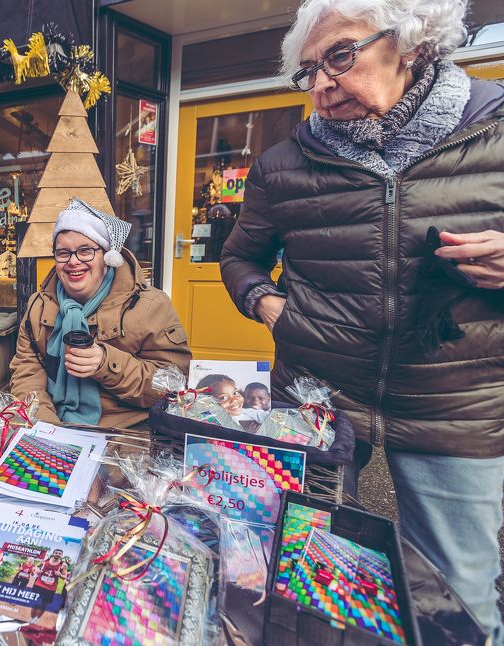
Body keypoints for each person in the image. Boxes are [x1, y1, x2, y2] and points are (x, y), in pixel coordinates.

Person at [220, 0, 504, 640]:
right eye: (309, 71)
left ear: (408, 42)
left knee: (458, 598)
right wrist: (272, 308)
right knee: (301, 566)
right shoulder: (282, 165)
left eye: (339, 56)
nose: (321, 84)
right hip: (319, 396)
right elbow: (239, 256)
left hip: (456, 404)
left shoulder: (495, 127)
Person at [10, 198, 191, 427]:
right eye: (63, 253)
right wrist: (46, 428)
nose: (73, 262)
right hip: (52, 424)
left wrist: (106, 363)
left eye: (85, 251)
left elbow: (172, 385)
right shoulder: (39, 306)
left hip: (125, 431)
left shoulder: (150, 306)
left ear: (106, 256)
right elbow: (27, 372)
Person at [195, 374, 267, 429]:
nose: (234, 399)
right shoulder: (207, 420)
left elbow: (266, 416)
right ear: (208, 403)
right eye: (223, 397)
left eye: (235, 393)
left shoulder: (247, 413)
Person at [30, 549, 69, 621]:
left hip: (51, 588)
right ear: (53, 553)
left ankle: (37, 618)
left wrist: (60, 574)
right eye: (56, 553)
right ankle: (32, 618)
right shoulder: (46, 560)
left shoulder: (63, 565)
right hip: (39, 584)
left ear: (61, 555)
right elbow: (36, 566)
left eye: (59, 553)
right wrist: (37, 570)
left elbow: (65, 577)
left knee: (44, 605)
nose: (57, 554)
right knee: (36, 602)